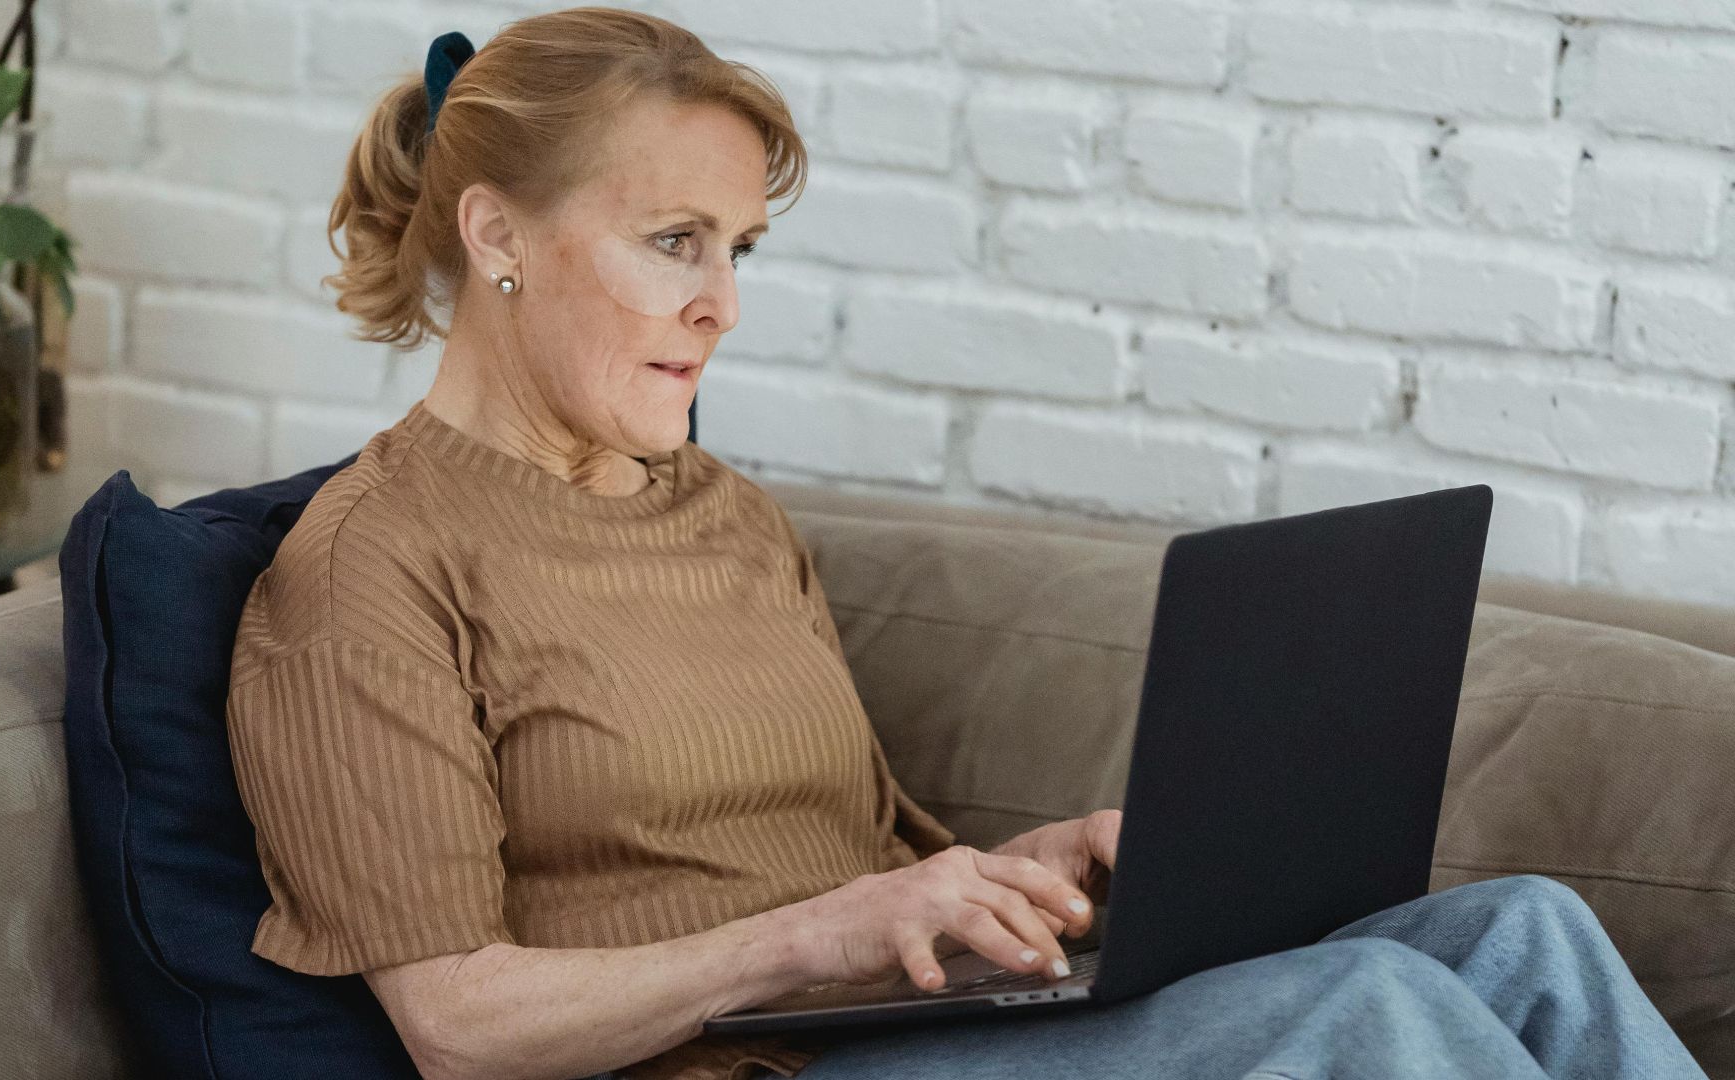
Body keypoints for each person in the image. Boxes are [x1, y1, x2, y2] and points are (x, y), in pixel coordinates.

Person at [221, 7, 1708, 1079]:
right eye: (675, 240)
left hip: (902, 1028)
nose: (722, 304)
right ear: (497, 235)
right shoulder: (366, 573)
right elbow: (458, 1029)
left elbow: (856, 855)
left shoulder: (724, 515)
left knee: (1529, 932)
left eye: (739, 251)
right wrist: (810, 943)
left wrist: (1021, 879)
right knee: (1370, 1016)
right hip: (748, 1070)